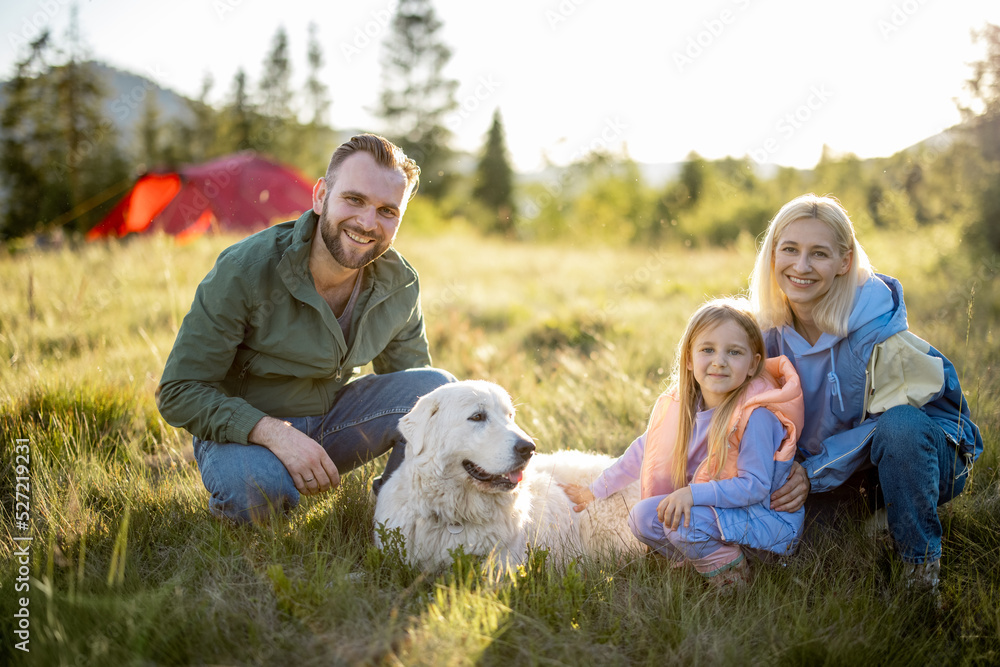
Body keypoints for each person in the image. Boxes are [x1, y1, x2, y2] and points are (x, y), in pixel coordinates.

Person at [156, 133, 455, 524]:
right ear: (320, 196)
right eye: (354, 199)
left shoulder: (399, 283)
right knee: (256, 495)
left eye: (387, 211)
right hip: (247, 431)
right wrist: (274, 433)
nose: (367, 223)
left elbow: (419, 398)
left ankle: (396, 515)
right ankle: (266, 483)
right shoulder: (245, 270)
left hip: (334, 422)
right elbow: (179, 391)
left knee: (438, 394)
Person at [752, 193, 983, 593]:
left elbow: (886, 429)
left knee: (901, 426)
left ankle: (919, 574)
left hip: (923, 455)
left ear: (844, 261)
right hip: (840, 470)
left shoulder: (877, 331)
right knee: (809, 551)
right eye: (789, 249)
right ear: (773, 255)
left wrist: (812, 473)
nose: (801, 266)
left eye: (819, 254)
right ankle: (874, 517)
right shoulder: (765, 334)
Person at [563, 298, 805, 588]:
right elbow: (643, 451)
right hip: (719, 517)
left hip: (765, 524)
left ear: (753, 364)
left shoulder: (756, 417)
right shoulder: (685, 410)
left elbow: (754, 486)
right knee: (642, 517)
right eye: (707, 350)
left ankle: (736, 578)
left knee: (683, 524)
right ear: (689, 359)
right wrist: (595, 490)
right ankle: (708, 560)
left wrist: (691, 494)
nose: (719, 361)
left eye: (734, 352)